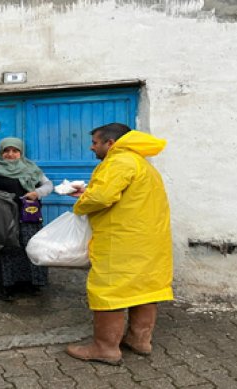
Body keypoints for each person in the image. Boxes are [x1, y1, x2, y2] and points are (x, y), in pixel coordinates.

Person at [65, 122, 173, 365]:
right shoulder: (141, 163)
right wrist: (88, 194)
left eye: (95, 142)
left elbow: (102, 197)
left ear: (110, 143)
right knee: (145, 288)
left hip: (122, 240)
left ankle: (105, 348)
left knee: (109, 290)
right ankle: (139, 340)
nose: (91, 148)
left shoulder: (118, 161)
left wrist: (81, 204)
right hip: (148, 239)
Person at [0, 137, 53, 301]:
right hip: (0, 218)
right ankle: (4, 285)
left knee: (29, 247)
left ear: (21, 152)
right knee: (5, 249)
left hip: (27, 216)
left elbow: (48, 185)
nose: (11, 154)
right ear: (1, 152)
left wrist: (37, 193)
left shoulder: (31, 168)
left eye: (15, 151)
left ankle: (30, 283)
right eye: (6, 151)